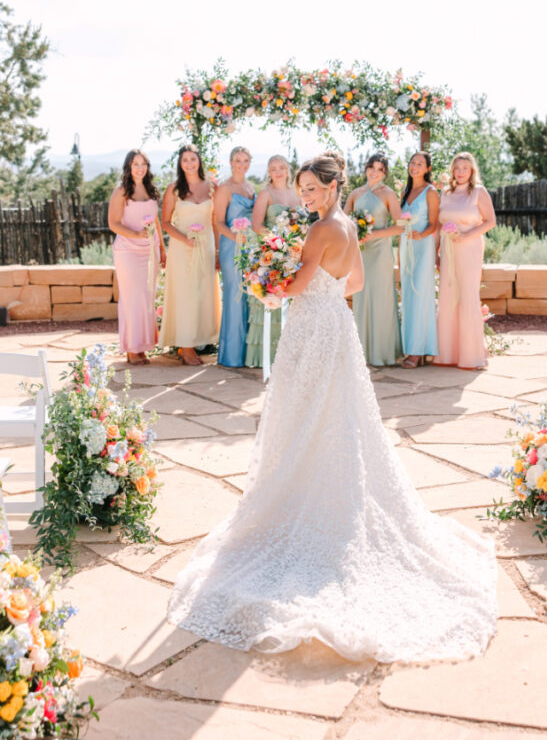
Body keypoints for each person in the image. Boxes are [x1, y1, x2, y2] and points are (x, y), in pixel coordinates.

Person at [168, 151, 497, 664]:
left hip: (311, 328)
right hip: (336, 327)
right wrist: (311, 288)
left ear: (332, 186)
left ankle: (307, 498)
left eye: (312, 189)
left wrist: (266, 284)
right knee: (336, 418)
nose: (305, 196)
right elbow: (359, 284)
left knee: (304, 416)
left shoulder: (321, 230)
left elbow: (297, 285)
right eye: (301, 188)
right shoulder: (345, 224)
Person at [158, 144, 221, 365]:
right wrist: (184, 239)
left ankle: (199, 341)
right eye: (185, 160)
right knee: (185, 295)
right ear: (180, 163)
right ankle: (185, 348)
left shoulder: (213, 187)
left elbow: (215, 222)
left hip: (205, 247)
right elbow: (165, 223)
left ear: (199, 161)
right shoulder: (173, 189)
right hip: (181, 248)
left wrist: (217, 252)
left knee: (203, 294)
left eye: (192, 159)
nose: (189, 163)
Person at [434, 151, 496, 370]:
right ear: (452, 170)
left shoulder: (478, 192)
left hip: (469, 249)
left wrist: (466, 236)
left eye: (465, 168)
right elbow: (439, 225)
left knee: (468, 295)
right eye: (457, 168)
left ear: (471, 171)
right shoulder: (446, 192)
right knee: (448, 295)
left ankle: (470, 355)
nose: (460, 172)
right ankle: (448, 354)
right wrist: (436, 251)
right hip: (448, 250)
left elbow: (490, 221)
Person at [343, 153, 402, 366]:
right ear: (366, 168)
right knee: (360, 295)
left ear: (385, 172)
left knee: (380, 298)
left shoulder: (388, 194)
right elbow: (343, 221)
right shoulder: (355, 193)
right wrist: (354, 234)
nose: (374, 172)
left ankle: (382, 352)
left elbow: (400, 226)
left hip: (380, 252)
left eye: (379, 169)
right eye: (371, 167)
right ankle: (361, 352)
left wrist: (373, 234)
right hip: (359, 251)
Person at [108, 149, 165, 366]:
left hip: (150, 251)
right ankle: (132, 349)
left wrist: (162, 248)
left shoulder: (152, 191)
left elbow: (156, 222)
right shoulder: (121, 192)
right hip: (128, 251)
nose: (140, 168)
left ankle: (143, 347)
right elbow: (113, 223)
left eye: (143, 164)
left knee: (146, 299)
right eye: (135, 164)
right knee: (132, 299)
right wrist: (135, 234)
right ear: (128, 167)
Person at [245, 155, 300, 369]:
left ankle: (289, 355)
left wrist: (294, 245)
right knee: (271, 297)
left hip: (293, 254)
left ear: (287, 170)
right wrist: (277, 243)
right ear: (269, 172)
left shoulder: (296, 193)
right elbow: (257, 225)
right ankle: (265, 356)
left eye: (281, 167)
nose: (277, 171)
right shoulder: (266, 194)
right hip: (271, 252)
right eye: (273, 168)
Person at [214, 145, 255, 367]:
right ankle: (231, 355)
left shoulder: (251, 187)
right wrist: (235, 238)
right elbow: (218, 222)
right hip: (232, 247)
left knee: (249, 297)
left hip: (249, 249)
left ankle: (248, 354)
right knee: (234, 296)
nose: (241, 164)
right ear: (231, 162)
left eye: (245, 160)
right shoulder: (224, 188)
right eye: (238, 160)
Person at [399, 152, 439, 367]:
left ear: (427, 169)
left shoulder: (430, 192)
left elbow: (435, 223)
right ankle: (409, 346)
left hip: (423, 247)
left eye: (420, 164)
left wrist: (421, 235)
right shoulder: (406, 191)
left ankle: (417, 351)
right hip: (406, 246)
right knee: (407, 296)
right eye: (412, 163)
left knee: (420, 295)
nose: (414, 166)